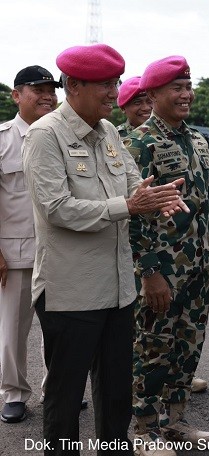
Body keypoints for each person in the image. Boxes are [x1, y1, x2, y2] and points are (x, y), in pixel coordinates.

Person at [22, 43, 187, 455]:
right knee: (65, 396)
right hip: (71, 291)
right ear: (73, 85)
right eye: (104, 85)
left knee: (115, 393)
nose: (114, 93)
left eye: (115, 82)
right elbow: (57, 208)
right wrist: (129, 206)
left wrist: (154, 196)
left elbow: (133, 183)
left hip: (118, 290)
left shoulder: (110, 131)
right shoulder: (45, 135)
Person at [124, 55, 209, 454]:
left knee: (188, 344)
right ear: (152, 94)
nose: (187, 94)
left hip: (198, 266)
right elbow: (132, 214)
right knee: (153, 346)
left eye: (189, 85)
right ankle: (144, 428)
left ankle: (176, 422)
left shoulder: (198, 140)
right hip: (160, 269)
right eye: (177, 87)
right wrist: (149, 270)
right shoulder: (138, 142)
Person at [0, 65, 59, 424]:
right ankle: (14, 393)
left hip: (59, 252)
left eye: (51, 89)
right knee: (12, 330)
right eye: (37, 89)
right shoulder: (3, 139)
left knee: (62, 329)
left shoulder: (64, 137)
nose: (47, 95)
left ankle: (58, 388)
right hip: (15, 253)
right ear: (16, 95)